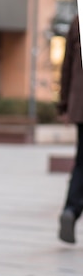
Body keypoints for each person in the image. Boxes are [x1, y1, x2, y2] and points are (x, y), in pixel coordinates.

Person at [58, 14, 83, 244]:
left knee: (81, 163)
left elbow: (66, 66)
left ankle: (71, 209)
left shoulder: (77, 20)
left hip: (80, 107)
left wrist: (64, 104)